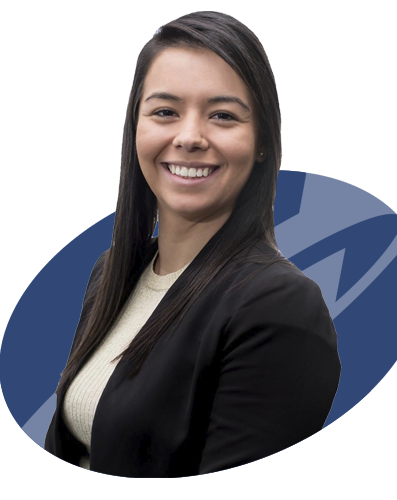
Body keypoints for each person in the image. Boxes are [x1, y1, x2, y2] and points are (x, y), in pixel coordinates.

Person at [44, 11, 341, 478]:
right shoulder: (114, 272)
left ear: (262, 141)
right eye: (165, 112)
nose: (189, 138)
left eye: (223, 115)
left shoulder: (280, 307)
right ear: (136, 127)